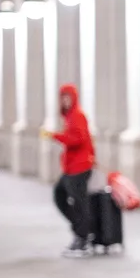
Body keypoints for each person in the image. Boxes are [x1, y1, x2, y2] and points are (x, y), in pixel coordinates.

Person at [42, 83, 95, 257]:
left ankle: (83, 237)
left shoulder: (77, 115)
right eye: (63, 97)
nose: (65, 101)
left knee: (79, 202)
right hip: (72, 167)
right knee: (60, 195)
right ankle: (81, 230)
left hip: (79, 167)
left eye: (68, 97)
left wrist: (54, 135)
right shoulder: (70, 116)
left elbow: (78, 139)